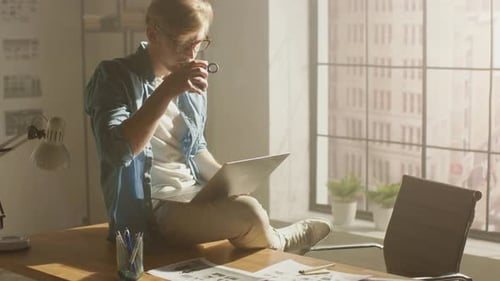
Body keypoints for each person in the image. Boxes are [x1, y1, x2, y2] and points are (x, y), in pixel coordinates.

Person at [84, 0, 331, 254]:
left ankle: (272, 238)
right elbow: (116, 151)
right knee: (249, 213)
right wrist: (167, 90)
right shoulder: (114, 76)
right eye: (183, 43)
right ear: (152, 34)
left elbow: (195, 149)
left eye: (199, 43)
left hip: (189, 195)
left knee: (245, 203)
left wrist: (226, 180)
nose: (192, 54)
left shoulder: (189, 84)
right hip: (149, 210)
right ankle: (282, 241)